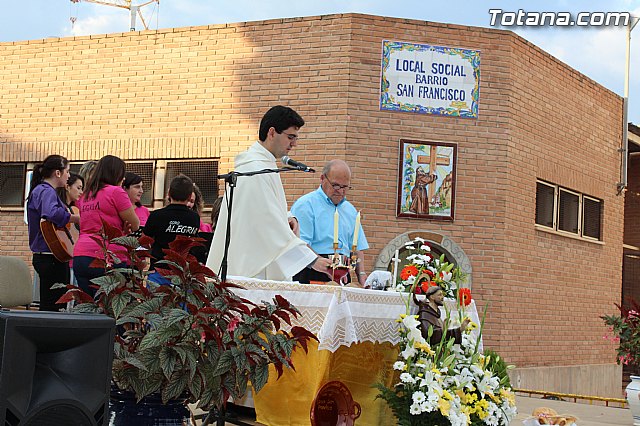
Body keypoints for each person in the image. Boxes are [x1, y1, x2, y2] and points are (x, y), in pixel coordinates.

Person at [206, 105, 332, 281]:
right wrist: (311, 260)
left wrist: (288, 217)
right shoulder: (253, 168)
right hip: (248, 269)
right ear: (272, 132)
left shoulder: (265, 164)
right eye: (290, 137)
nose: (294, 144)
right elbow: (268, 224)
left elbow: (266, 211)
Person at [291, 159, 369, 286]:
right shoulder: (306, 205)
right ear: (322, 179)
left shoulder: (350, 210)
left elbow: (356, 246)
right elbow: (300, 243)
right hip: (312, 267)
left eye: (345, 187)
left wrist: (361, 274)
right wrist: (317, 261)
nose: (341, 191)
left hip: (343, 270)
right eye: (336, 185)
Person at [73, 155, 140, 296]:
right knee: (108, 308)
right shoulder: (116, 192)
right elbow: (135, 224)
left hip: (81, 255)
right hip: (108, 255)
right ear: (117, 173)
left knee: (88, 305)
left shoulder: (86, 195)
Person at [26, 155, 80, 311]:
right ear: (58, 173)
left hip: (49, 256)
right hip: (50, 257)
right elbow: (51, 213)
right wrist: (75, 218)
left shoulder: (42, 190)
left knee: (51, 304)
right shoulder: (46, 191)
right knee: (54, 306)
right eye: (67, 171)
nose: (69, 176)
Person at [143, 174, 200, 283]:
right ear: (189, 196)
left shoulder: (156, 215)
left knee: (156, 300)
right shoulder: (194, 218)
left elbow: (144, 241)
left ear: (169, 194)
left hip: (159, 271)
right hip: (182, 273)